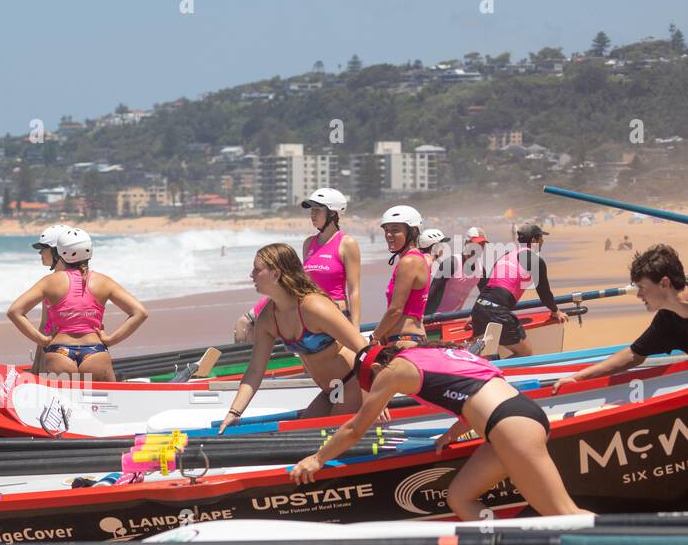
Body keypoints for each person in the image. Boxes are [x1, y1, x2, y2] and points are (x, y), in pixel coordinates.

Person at [292, 340, 587, 520]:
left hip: (511, 427)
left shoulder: (394, 370)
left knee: (564, 514)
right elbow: (475, 394)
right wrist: (452, 434)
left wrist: (318, 458)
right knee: (459, 498)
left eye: (372, 384)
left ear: (378, 370)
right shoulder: (434, 352)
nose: (379, 391)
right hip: (516, 416)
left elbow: (356, 429)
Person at [219, 243, 368, 430]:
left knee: (324, 444)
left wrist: (378, 398)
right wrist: (234, 412)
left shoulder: (313, 307)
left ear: (275, 274)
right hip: (332, 390)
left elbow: (364, 347)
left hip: (354, 382)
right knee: (302, 434)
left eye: (257, 269)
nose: (252, 274)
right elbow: (255, 370)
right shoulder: (268, 318)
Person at [6, 227, 148, 382]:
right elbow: (140, 312)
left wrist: (42, 340)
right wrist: (110, 340)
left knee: (58, 405)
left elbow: (15, 311)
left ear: (60, 252)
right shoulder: (104, 281)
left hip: (59, 353)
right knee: (105, 404)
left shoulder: (50, 281)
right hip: (95, 352)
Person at [552, 245, 688, 391]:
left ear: (664, 283)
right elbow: (633, 355)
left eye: (642, 287)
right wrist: (578, 377)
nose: (638, 295)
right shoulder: (667, 321)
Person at [470, 223, 566, 358]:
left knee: (484, 358)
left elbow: (489, 285)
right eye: (540, 238)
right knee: (525, 353)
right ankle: (500, 374)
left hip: (479, 308)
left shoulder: (506, 255)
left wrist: (476, 312)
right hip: (498, 312)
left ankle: (492, 373)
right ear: (533, 240)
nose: (543, 241)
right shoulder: (535, 260)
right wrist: (555, 311)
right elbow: (544, 293)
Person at [300, 188, 361, 328]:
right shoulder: (308, 243)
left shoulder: (347, 243)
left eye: (317, 210)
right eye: (311, 210)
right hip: (310, 317)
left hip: (337, 315)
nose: (312, 214)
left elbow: (354, 290)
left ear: (333, 213)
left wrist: (355, 327)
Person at [371, 205, 431, 346]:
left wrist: (374, 337)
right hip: (409, 338)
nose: (389, 235)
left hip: (404, 341)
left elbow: (396, 310)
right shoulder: (417, 258)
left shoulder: (409, 261)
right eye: (386, 230)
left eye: (395, 230)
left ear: (413, 231)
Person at [26, 223, 69, 369]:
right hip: (91, 352)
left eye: (43, 248)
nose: (40, 253)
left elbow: (46, 324)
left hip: (56, 353)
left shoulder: (50, 283)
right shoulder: (89, 279)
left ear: (58, 251)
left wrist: (37, 364)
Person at [427, 227, 490, 316]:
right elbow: (432, 291)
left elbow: (487, 295)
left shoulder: (480, 269)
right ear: (466, 243)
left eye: (482, 244)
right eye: (476, 244)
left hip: (455, 317)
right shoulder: (451, 263)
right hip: (435, 317)